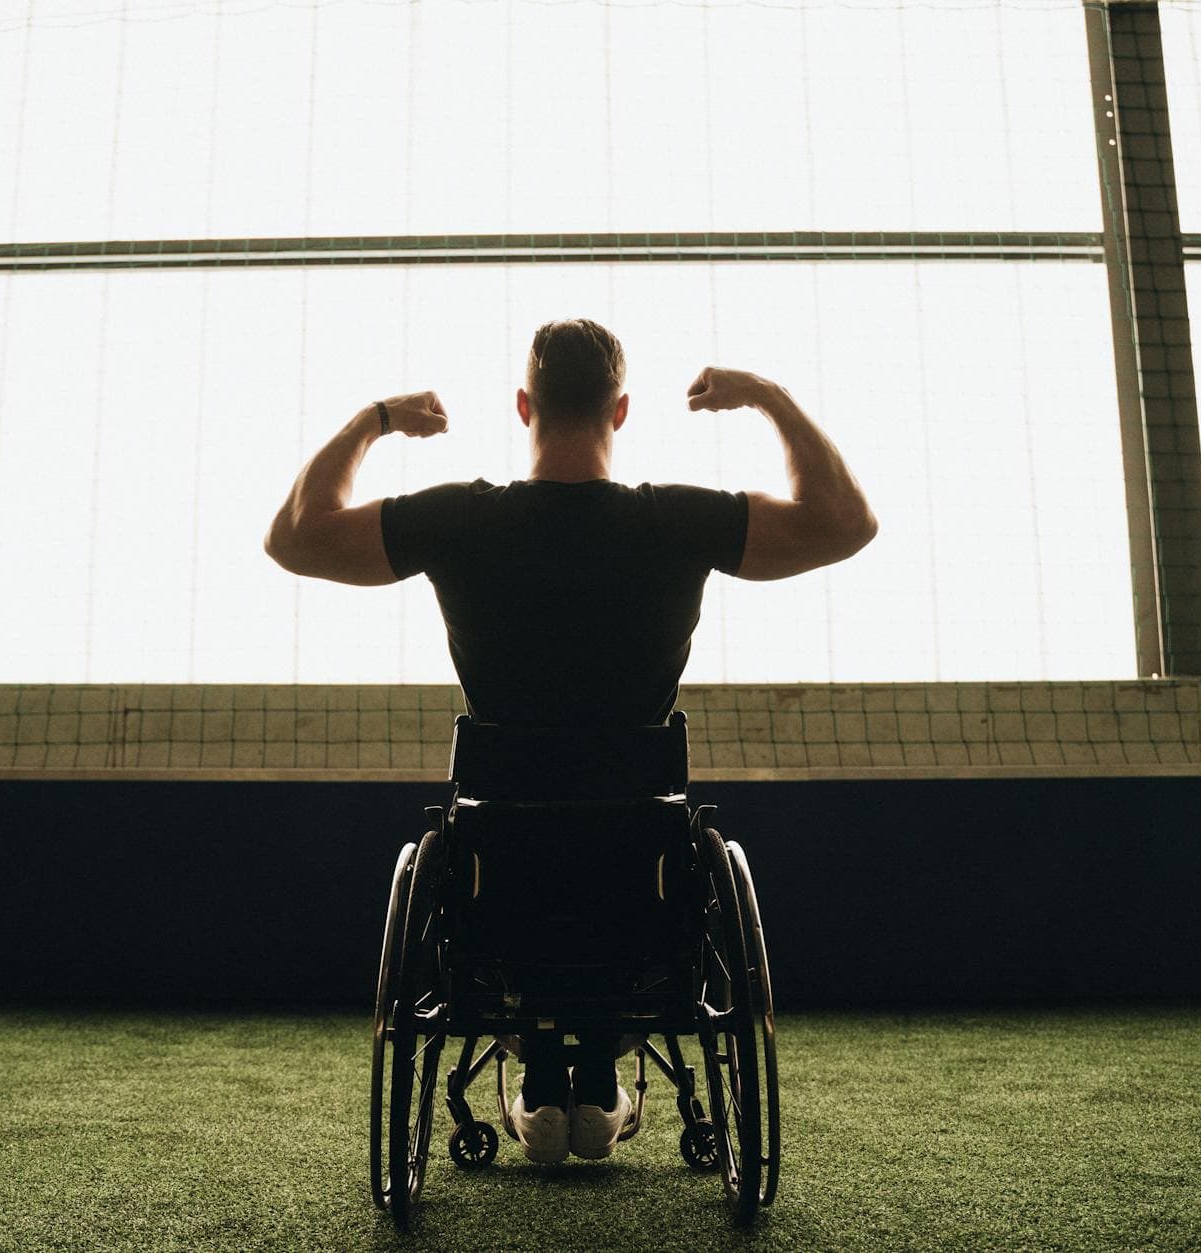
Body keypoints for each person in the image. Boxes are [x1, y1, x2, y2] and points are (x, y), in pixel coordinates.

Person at [264, 318, 876, 1164]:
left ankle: (546, 1075)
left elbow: (294, 535)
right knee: (627, 869)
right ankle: (592, 1077)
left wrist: (376, 420)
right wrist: (766, 398)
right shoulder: (677, 521)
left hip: (499, 880)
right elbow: (845, 522)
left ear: (525, 406)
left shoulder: (459, 519)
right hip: (639, 880)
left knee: (509, 874)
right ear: (619, 410)